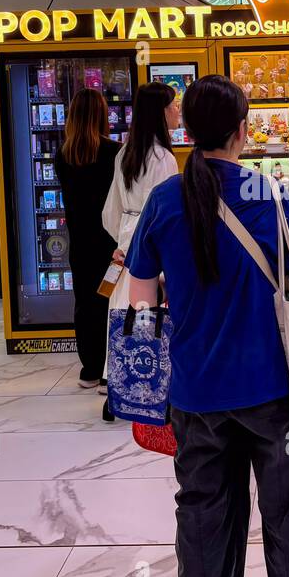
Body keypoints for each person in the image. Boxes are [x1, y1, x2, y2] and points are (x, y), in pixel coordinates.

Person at [126, 75, 289, 577]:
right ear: (243, 129)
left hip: (195, 393)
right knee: (288, 507)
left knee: (202, 509)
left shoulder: (166, 200)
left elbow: (141, 302)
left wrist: (153, 372)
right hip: (273, 390)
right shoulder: (267, 193)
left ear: (187, 129)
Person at [100, 81, 180, 418]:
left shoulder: (125, 153)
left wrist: (121, 242)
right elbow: (169, 210)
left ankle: (115, 387)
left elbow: (110, 210)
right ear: (162, 112)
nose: (178, 112)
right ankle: (155, 384)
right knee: (153, 313)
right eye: (174, 106)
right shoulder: (164, 158)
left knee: (123, 313)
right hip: (152, 241)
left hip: (127, 239)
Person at [55, 87, 120, 391]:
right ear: (102, 115)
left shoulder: (63, 154)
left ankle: (89, 369)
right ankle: (110, 370)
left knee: (84, 302)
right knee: (111, 301)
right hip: (110, 243)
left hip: (79, 243)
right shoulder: (115, 152)